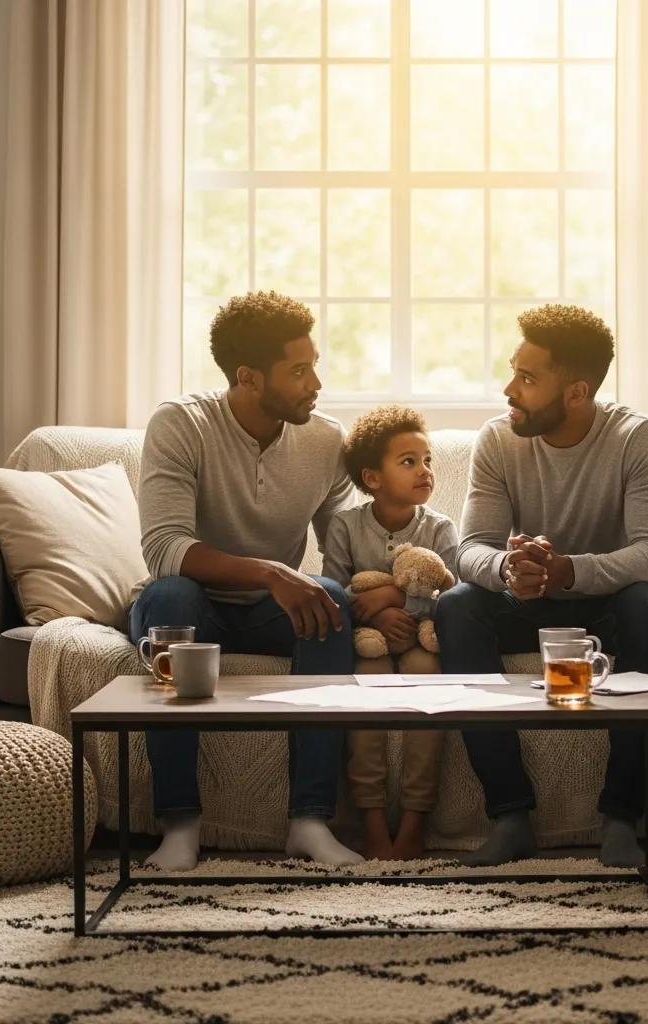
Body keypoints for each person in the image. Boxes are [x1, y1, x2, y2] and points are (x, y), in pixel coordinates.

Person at [435, 304, 648, 867]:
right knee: (457, 607)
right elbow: (471, 547)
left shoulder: (637, 438)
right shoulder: (498, 440)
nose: (509, 389)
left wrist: (570, 571)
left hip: (607, 599)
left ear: (576, 391)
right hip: (528, 597)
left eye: (527, 378)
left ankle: (623, 818)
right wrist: (509, 571)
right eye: (513, 371)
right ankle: (510, 814)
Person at [130, 291, 363, 871]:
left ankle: (309, 821)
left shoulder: (324, 440)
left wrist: (378, 588)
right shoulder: (180, 424)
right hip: (194, 602)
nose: (316, 383)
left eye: (315, 365)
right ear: (248, 377)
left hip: (269, 611)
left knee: (331, 599)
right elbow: (164, 548)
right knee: (170, 598)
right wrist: (270, 570)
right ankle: (180, 826)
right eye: (300, 370)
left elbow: (342, 549)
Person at [323, 405, 459, 860]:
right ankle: (373, 820)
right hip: (370, 641)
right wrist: (375, 614)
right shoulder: (345, 525)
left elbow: (453, 596)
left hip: (424, 639)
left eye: (427, 460)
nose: (424, 471)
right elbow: (336, 593)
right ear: (373, 478)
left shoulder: (440, 529)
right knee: (367, 684)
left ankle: (417, 819)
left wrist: (398, 600)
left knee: (427, 678)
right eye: (408, 462)